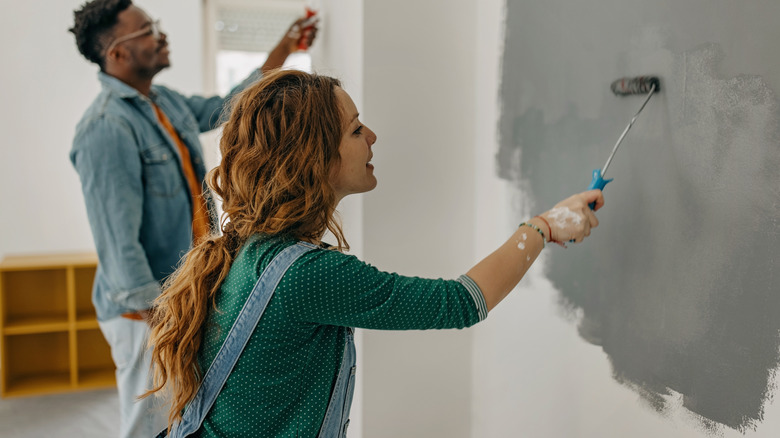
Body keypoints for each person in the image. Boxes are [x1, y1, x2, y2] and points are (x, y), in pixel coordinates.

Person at [144, 69, 605, 437]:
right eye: (356, 129)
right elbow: (463, 302)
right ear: (316, 156)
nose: (373, 137)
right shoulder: (305, 275)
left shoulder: (253, 248)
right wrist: (542, 227)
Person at [68, 1, 317, 436]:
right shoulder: (106, 127)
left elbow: (230, 103)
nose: (160, 35)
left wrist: (285, 48)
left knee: (180, 417)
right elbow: (120, 250)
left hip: (177, 300)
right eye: (145, 30)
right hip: (144, 313)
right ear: (117, 54)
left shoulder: (163, 102)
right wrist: (167, 322)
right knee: (147, 427)